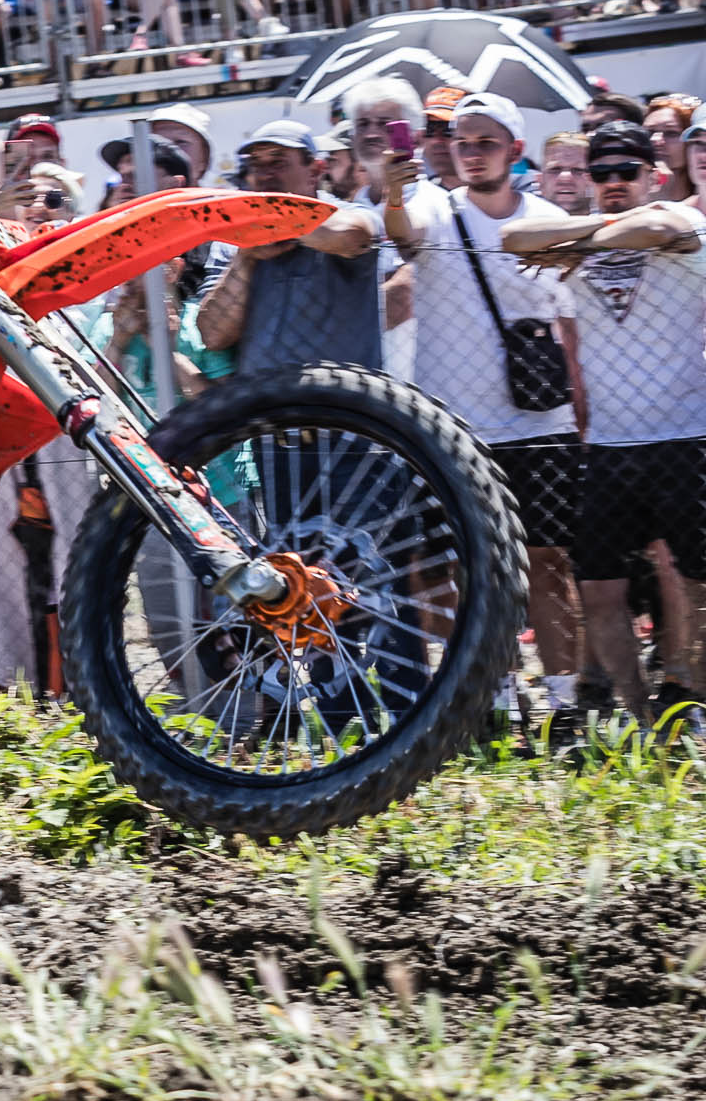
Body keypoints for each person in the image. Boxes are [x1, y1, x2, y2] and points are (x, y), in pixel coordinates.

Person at [377, 93, 587, 713]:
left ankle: (563, 704)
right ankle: (496, 695)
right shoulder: (432, 205)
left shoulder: (546, 217)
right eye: (461, 142)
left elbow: (569, 324)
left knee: (548, 564)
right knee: (467, 569)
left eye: (485, 142)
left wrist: (582, 414)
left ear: (515, 150)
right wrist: (392, 194)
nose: (471, 153)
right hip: (457, 431)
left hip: (540, 422)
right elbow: (402, 235)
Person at [503, 122, 706, 718]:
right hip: (608, 446)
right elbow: (514, 236)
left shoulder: (680, 218)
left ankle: (690, 699)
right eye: (601, 173)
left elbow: (658, 229)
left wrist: (580, 241)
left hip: (685, 436)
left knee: (697, 584)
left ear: (654, 176)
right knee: (597, 590)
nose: (613, 182)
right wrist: (591, 236)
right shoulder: (576, 235)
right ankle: (643, 718)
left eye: (626, 172)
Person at [194, 119, 383, 373]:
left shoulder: (346, 214)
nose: (265, 174)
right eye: (256, 164)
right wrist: (245, 258)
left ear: (315, 170)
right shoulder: (233, 241)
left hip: (342, 393)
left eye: (278, 162)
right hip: (261, 395)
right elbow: (212, 336)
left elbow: (353, 236)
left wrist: (281, 223)